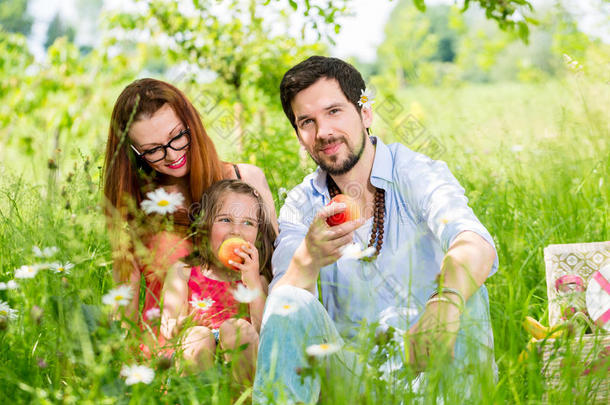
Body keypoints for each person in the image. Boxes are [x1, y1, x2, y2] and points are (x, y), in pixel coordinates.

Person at [253, 56, 499, 403]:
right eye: (307, 121)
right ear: (299, 134)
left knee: (467, 291)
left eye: (334, 111)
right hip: (356, 384)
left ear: (365, 113)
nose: (323, 132)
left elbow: (474, 242)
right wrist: (307, 259)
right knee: (289, 298)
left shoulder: (416, 172)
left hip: (431, 370)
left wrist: (446, 301)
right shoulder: (302, 204)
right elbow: (284, 318)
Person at [102, 78, 277, 353]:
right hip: (175, 362)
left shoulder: (247, 180)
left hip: (247, 353)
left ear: (191, 124)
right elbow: (124, 314)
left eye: (176, 137)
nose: (171, 155)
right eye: (153, 150)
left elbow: (278, 279)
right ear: (135, 154)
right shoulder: (135, 209)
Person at [162, 179, 275, 383]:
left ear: (257, 235)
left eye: (248, 223)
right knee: (198, 336)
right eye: (225, 220)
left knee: (237, 329)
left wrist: (252, 284)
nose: (236, 231)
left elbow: (264, 333)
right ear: (205, 225)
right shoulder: (183, 273)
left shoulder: (258, 280)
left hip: (239, 368)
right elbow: (168, 330)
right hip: (195, 364)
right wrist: (184, 324)